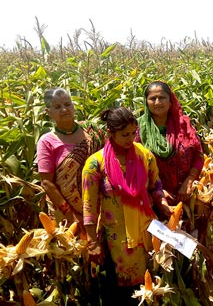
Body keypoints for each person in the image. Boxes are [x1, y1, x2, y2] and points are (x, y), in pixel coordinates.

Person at [82, 107, 170, 305]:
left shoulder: (145, 156)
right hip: (115, 240)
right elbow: (89, 206)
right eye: (124, 135)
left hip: (145, 232)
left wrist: (164, 205)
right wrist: (92, 242)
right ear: (110, 133)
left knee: (148, 289)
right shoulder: (95, 164)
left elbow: (156, 187)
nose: (130, 139)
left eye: (133, 133)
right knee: (120, 293)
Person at [135, 81, 203, 219]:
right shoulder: (138, 129)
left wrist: (189, 181)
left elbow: (198, 156)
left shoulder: (184, 124)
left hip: (187, 196)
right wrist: (157, 192)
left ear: (170, 100)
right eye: (152, 98)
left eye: (162, 97)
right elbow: (132, 165)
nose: (157, 102)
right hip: (153, 201)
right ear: (146, 102)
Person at [36, 87, 101, 229]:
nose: (64, 109)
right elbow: (46, 182)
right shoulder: (47, 141)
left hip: (100, 209)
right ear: (48, 112)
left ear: (73, 105)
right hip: (67, 215)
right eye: (58, 107)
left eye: (67, 104)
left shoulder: (92, 131)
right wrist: (70, 215)